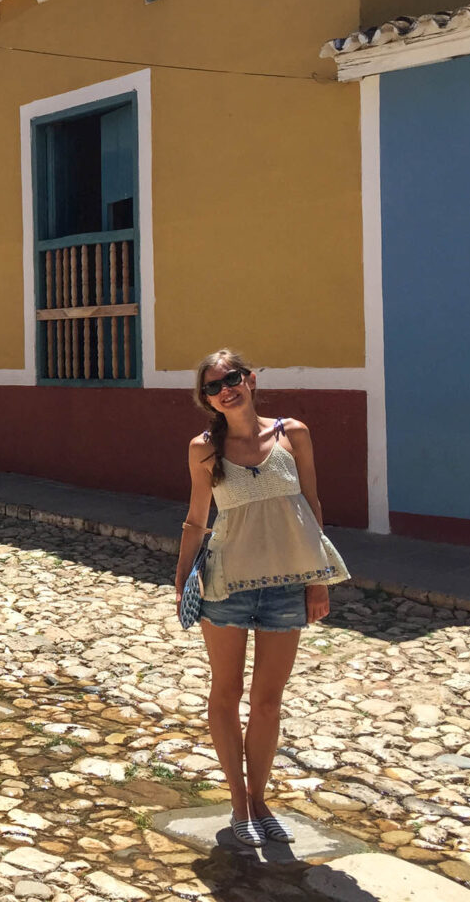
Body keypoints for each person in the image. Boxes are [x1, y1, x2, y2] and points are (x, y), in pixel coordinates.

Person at [177, 349, 350, 848]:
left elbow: (311, 505)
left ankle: (259, 799)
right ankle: (237, 804)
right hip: (225, 585)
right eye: (213, 386)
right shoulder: (204, 449)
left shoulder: (293, 434)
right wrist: (182, 577)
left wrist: (317, 580)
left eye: (232, 378)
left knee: (268, 701)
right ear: (205, 398)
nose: (225, 389)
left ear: (250, 379)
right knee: (226, 692)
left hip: (284, 586)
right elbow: (196, 517)